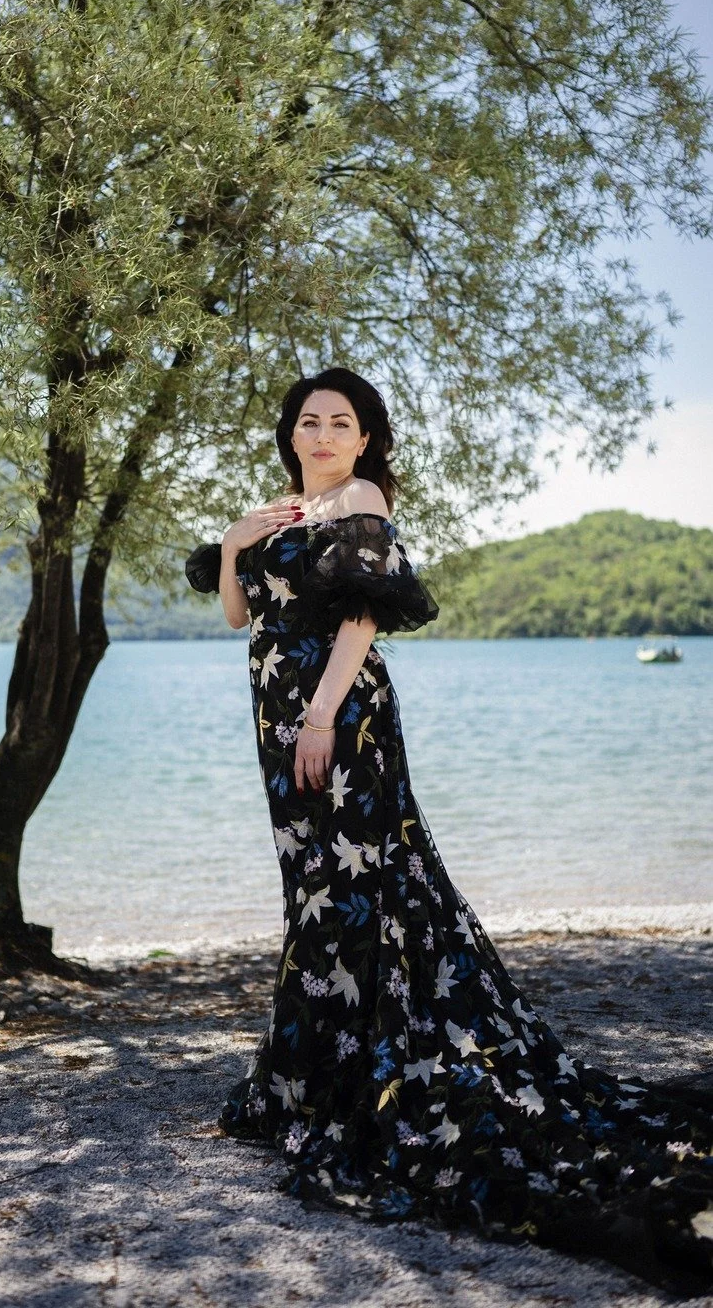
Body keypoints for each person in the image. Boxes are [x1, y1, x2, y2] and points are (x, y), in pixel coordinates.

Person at [184, 366, 713, 1297]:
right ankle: (313, 1075)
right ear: (290, 432)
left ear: (365, 437)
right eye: (307, 421)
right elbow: (243, 617)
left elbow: (358, 620)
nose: (320, 434)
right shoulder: (277, 515)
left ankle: (369, 1075)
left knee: (365, 890)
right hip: (274, 716)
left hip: (335, 717)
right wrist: (232, 544)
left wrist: (319, 716)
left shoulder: (360, 499)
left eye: (339, 422)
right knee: (313, 894)